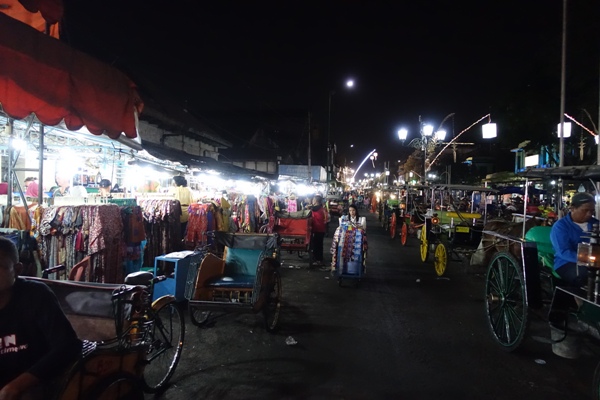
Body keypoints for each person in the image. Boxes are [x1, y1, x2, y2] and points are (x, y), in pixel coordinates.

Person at [0, 237, 82, 399]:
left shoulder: (36, 295)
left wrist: (16, 386)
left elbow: (68, 346)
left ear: (17, 270)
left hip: (34, 384)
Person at [550, 192, 599, 287]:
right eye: (585, 210)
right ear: (572, 208)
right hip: (566, 262)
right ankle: (580, 300)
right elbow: (563, 251)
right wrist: (587, 260)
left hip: (594, 262)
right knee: (585, 276)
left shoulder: (596, 224)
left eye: (592, 211)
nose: (589, 214)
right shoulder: (561, 226)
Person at [309, 195, 328, 268]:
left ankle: (318, 260)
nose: (312, 201)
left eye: (313, 199)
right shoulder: (322, 208)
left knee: (317, 245)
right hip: (321, 229)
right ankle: (318, 259)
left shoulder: (315, 209)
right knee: (318, 245)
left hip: (317, 229)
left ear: (316, 201)